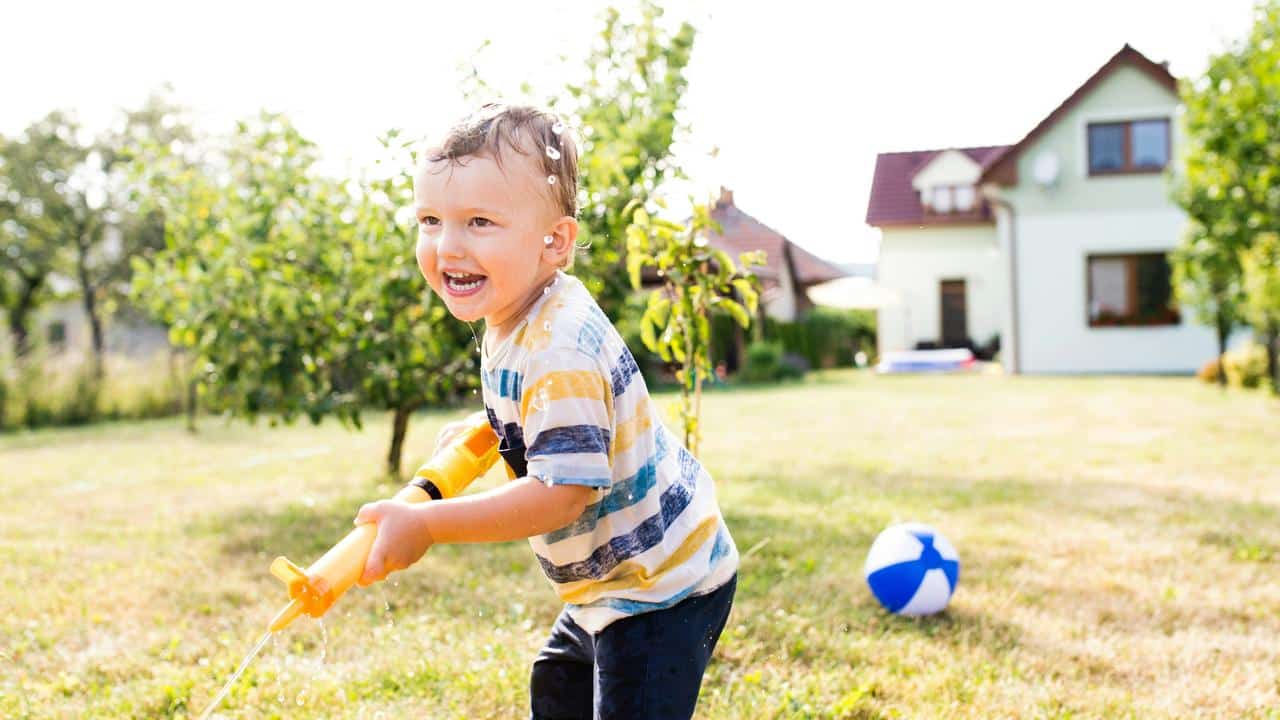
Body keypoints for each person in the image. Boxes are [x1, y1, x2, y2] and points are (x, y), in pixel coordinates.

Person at [353, 103, 738, 719]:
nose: (448, 246)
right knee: (558, 687)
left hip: (661, 589)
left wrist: (429, 523)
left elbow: (562, 494)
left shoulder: (560, 346)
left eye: (479, 221)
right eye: (431, 219)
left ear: (553, 241)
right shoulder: (516, 307)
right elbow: (544, 415)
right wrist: (495, 431)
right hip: (608, 584)